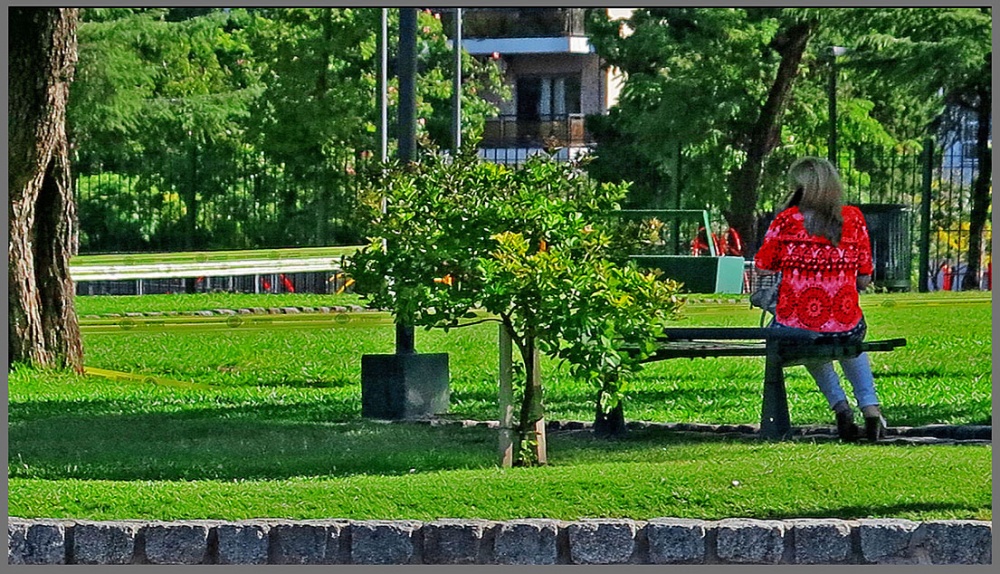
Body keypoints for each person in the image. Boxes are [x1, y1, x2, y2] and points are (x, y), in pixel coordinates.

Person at [754, 157, 886, 442]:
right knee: (848, 341)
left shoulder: (786, 220)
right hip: (846, 324)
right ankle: (871, 410)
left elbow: (764, 265)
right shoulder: (853, 219)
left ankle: (840, 407)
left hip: (798, 326)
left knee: (809, 337)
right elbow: (864, 277)